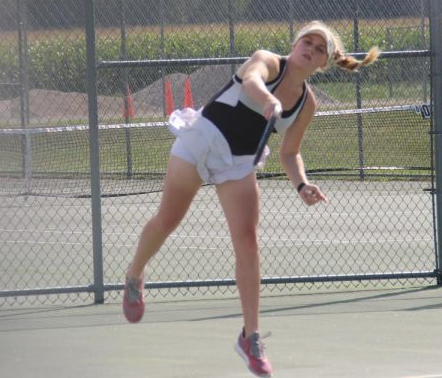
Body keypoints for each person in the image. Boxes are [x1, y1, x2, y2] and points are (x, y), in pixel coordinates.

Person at [122, 20, 380, 377]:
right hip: (202, 139)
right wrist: (268, 99)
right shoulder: (268, 61)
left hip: (239, 162)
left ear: (323, 63)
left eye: (320, 49)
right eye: (307, 41)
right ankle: (135, 275)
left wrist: (302, 185)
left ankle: (251, 337)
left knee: (248, 240)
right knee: (167, 221)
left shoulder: (307, 104)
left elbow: (290, 153)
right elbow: (251, 81)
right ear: (295, 44)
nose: (311, 49)